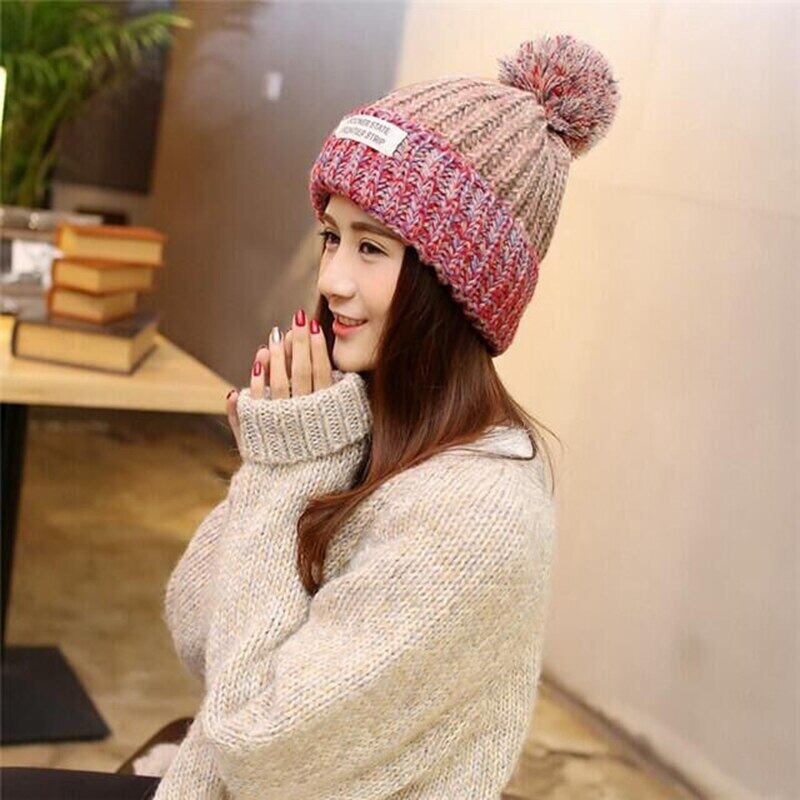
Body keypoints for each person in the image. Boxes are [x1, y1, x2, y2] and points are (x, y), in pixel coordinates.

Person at [2, 33, 619, 799]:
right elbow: (195, 626)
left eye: (372, 248)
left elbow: (256, 742)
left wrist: (284, 470)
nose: (332, 278)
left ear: (458, 284)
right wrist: (281, 465)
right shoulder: (359, 419)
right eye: (332, 236)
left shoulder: (476, 510)